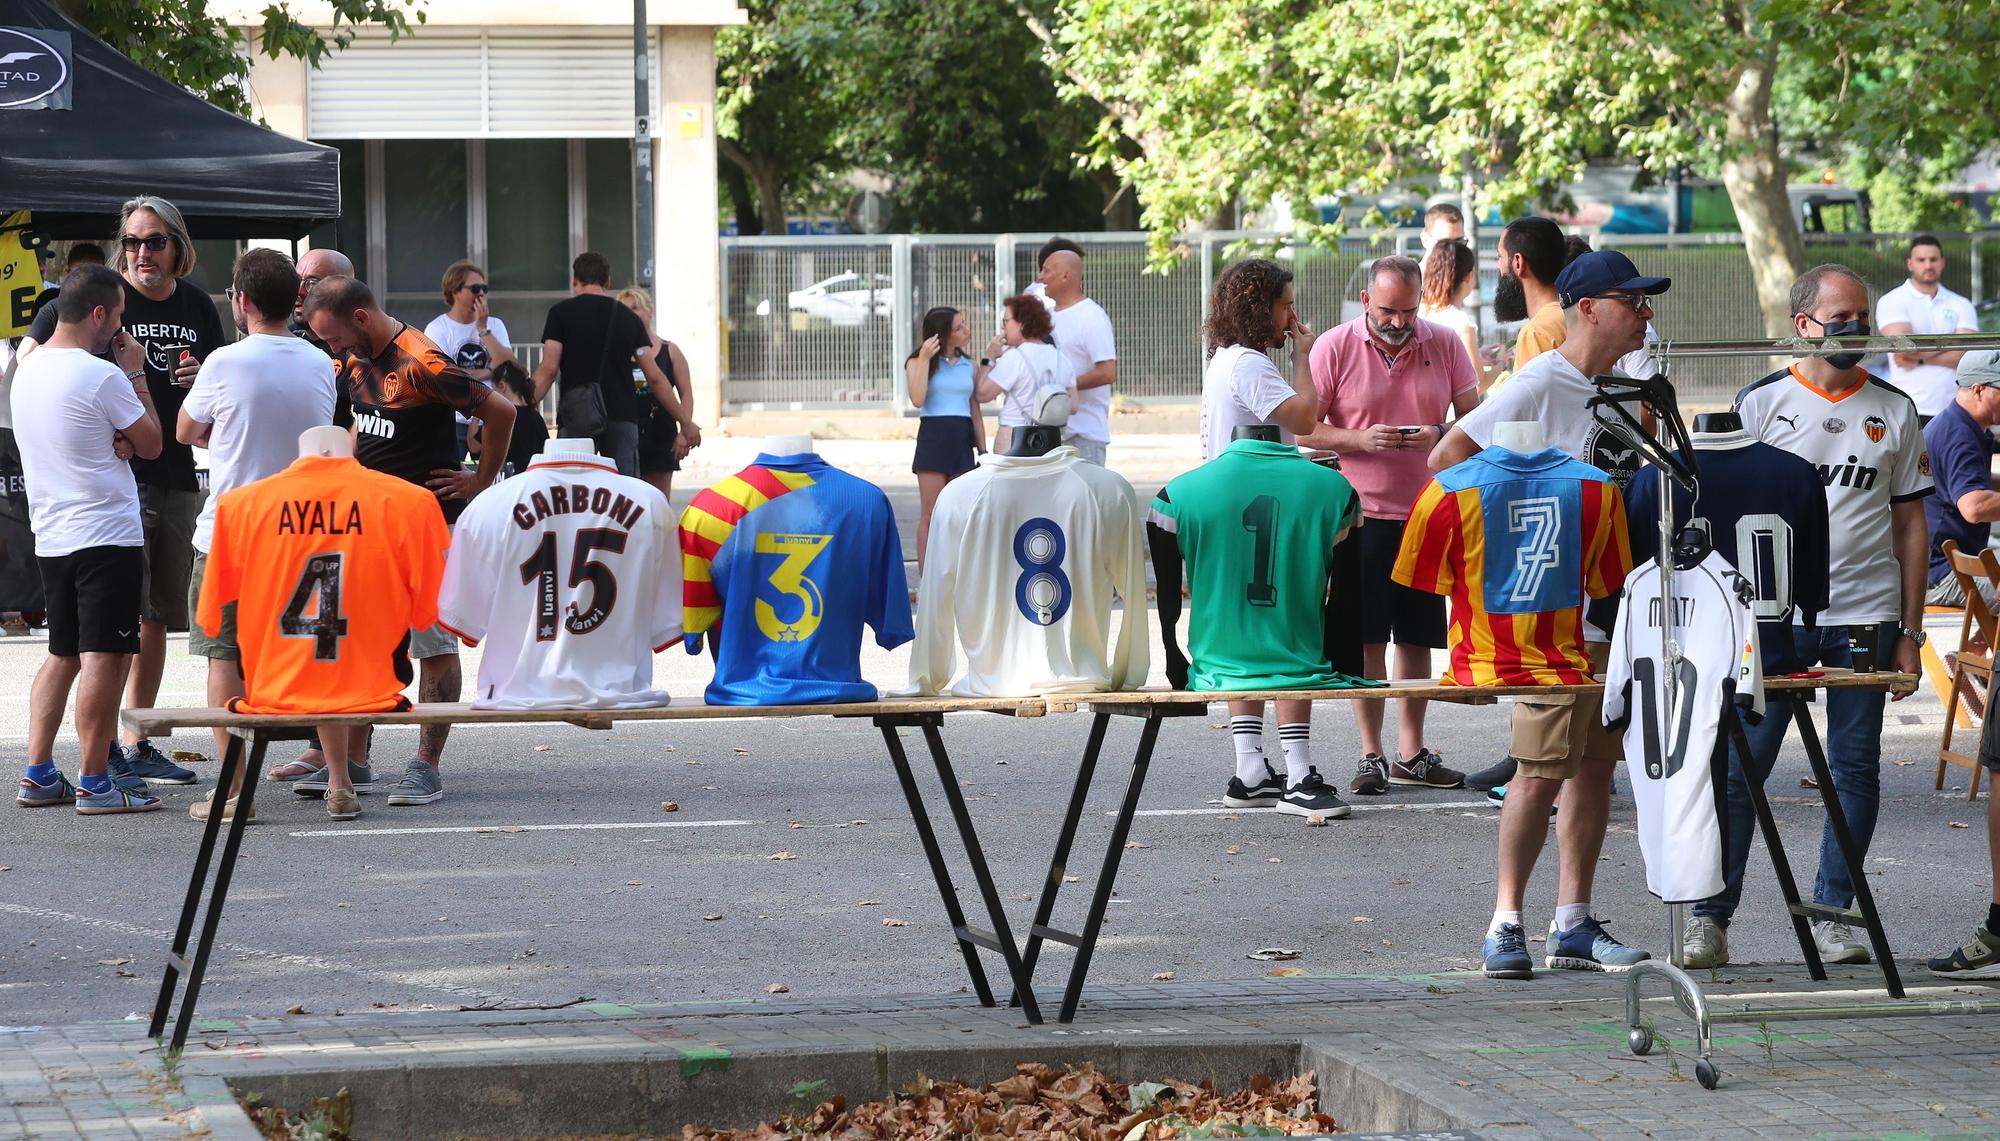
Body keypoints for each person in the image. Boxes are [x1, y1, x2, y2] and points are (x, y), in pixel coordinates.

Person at [1680, 263, 1931, 970]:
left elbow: (1911, 527)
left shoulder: (1897, 409)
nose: (1856, 329)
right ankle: (1711, 916)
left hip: (1864, 615)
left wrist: (1910, 634)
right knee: (1738, 769)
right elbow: (1721, 517)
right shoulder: (1760, 405)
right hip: (1771, 622)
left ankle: (1835, 914)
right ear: (1803, 325)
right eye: (1841, 318)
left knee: (1854, 768)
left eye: (1863, 317)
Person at [1431, 248, 1670, 976]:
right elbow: (1449, 460)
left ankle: (1573, 920)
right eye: (1635, 302)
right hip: (1551, 623)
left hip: (1616, 611)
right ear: (1591, 307)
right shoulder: (1538, 381)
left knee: (1595, 769)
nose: (1647, 315)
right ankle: (1506, 921)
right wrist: (1526, 541)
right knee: (1537, 769)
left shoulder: (1631, 387)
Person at [21, 197, 221, 784]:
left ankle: (135, 738)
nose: (141, 253)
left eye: (155, 241)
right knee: (100, 632)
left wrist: (197, 380)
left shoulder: (197, 307)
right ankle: (98, 755)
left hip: (171, 474)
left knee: (152, 616)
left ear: (177, 248)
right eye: (132, 242)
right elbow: (33, 374)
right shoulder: (91, 299)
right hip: (103, 488)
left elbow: (212, 395)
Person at [304, 275, 517, 807]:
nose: (333, 349)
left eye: (334, 338)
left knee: (433, 643)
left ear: (359, 318)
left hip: (427, 527)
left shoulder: (423, 360)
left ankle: (426, 763)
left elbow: (502, 410)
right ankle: (355, 761)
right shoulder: (356, 361)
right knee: (359, 642)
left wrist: (480, 479)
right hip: (368, 524)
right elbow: (363, 426)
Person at [1302, 255, 1479, 796]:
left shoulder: (1444, 343)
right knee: (1367, 637)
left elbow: (1478, 422)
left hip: (1427, 513)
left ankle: (1411, 751)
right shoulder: (1332, 346)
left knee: (1419, 636)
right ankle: (1371, 754)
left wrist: (1441, 433)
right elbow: (1304, 430)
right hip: (1360, 514)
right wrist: (1360, 440)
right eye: (1387, 311)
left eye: (1409, 311)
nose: (1399, 323)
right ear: (1365, 302)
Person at [176, 249, 341, 821]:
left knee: (224, 655)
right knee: (318, 653)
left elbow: (185, 430)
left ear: (241, 301)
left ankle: (231, 790)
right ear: (294, 302)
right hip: (304, 529)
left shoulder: (223, 362)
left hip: (233, 531)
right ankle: (340, 782)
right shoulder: (320, 362)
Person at [1190, 257, 1343, 816]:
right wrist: (1306, 355)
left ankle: (1250, 766)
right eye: (1284, 304)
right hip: (1265, 514)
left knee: (1247, 640)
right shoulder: (1250, 363)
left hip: (1234, 509)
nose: (1291, 315)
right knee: (1290, 633)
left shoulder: (1225, 360)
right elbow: (1305, 418)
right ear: (1259, 308)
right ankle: (1300, 771)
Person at [11, 265, 165, 814]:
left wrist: (113, 435)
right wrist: (136, 374)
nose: (121, 328)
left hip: (52, 533)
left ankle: (37, 771)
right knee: (106, 655)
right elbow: (151, 444)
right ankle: (96, 780)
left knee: (62, 654)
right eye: (119, 315)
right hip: (105, 533)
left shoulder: (23, 370)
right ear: (98, 314)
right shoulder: (101, 375)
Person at [532, 252, 694, 478]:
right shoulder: (627, 318)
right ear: (608, 281)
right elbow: (654, 376)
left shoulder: (560, 314)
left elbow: (548, 369)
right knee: (625, 489)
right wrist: (685, 422)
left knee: (570, 485)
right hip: (621, 416)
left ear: (574, 280)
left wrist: (524, 406)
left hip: (577, 414)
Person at [905, 306, 988, 569]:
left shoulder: (969, 365)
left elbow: (975, 409)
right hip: (933, 437)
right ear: (942, 335)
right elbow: (917, 399)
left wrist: (983, 450)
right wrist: (925, 359)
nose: (967, 331)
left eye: (964, 325)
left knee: (960, 512)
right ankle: (926, 576)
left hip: (961, 438)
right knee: (931, 512)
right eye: (959, 328)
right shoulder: (918, 362)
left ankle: (958, 573)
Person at [1922, 351, 2000, 610]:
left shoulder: (1954, 423)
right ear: (1978, 390)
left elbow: (1971, 482)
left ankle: (1982, 649)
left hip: (1945, 565)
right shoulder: (1959, 436)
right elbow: (1974, 507)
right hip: (1944, 575)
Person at [1877, 234, 1980, 421]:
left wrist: (1921, 359)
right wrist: (1952, 345)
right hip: (1909, 407)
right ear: (1910, 263)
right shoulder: (1892, 301)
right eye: (1921, 260)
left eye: (1933, 259)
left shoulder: (1961, 303)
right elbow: (1905, 348)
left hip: (1957, 406)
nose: (1928, 265)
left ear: (1943, 263)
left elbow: (1967, 355)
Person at [425, 261, 516, 464]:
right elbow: (445, 375)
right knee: (448, 472)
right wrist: (489, 371)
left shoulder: (494, 325)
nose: (481, 294)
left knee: (494, 479)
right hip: (453, 418)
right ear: (455, 291)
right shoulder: (438, 328)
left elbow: (509, 366)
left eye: (484, 288)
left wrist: (483, 329)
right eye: (475, 288)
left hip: (490, 416)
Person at [1037, 249, 1118, 465]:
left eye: (1046, 270)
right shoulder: (1046, 317)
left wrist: (1061, 389)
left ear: (1066, 275)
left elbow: (1107, 372)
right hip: (1051, 435)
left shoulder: (1091, 317)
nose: (1040, 277)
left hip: (1083, 436)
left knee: (1085, 498)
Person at [615, 286, 697, 498]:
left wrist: (683, 431)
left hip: (660, 433)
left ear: (649, 311)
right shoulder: (615, 353)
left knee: (658, 501)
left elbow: (686, 393)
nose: (631, 314)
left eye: (636, 308)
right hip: (625, 433)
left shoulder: (670, 351)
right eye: (625, 310)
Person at [975, 293, 1076, 454]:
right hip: (1050, 442)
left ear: (1021, 324)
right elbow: (1074, 405)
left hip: (1014, 438)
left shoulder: (1015, 357)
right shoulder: (1061, 358)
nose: (1003, 327)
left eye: (1006, 321)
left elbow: (982, 394)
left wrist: (989, 358)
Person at [1420, 239, 1503, 392]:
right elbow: (1477, 385)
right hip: (1450, 412)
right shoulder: (1461, 323)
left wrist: (1477, 354)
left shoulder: (1420, 312)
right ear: (1469, 276)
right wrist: (1502, 364)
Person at [1492, 215, 1568, 371]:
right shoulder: (1575, 315)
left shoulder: (1538, 332)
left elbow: (1533, 395)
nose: (1497, 264)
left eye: (1500, 256)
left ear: (1518, 263)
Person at [469, 360, 551, 475]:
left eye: (493, 388)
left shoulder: (502, 416)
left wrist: (476, 415)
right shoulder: (536, 417)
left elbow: (474, 446)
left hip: (509, 481)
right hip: (532, 479)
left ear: (502, 386)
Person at [290, 247, 354, 354]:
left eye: (312, 283)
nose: (299, 292)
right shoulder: (286, 340)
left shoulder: (359, 349)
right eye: (296, 281)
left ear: (343, 289)